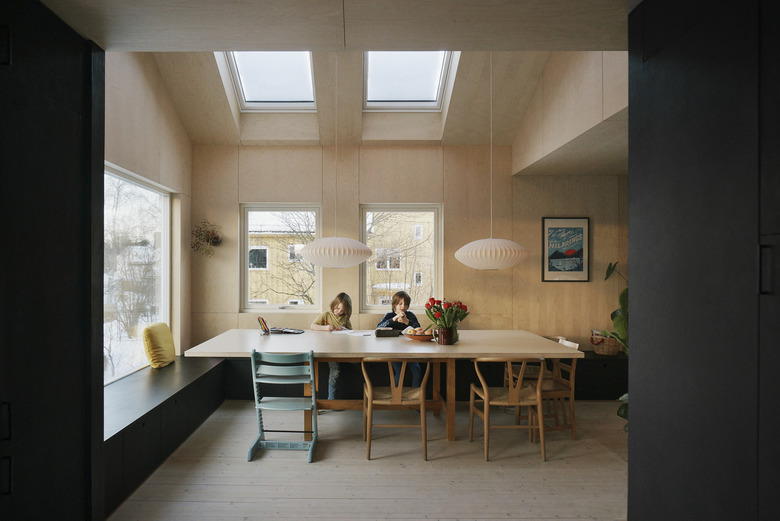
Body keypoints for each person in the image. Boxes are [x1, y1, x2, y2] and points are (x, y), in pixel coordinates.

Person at [376, 291, 423, 387]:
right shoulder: (389, 315)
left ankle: (416, 395)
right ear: (394, 304)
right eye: (400, 303)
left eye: (405, 304)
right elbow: (378, 327)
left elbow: (418, 328)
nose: (403, 306)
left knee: (416, 370)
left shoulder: (410, 315)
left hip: (409, 349)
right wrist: (394, 319)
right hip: (393, 350)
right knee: (399, 371)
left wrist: (406, 321)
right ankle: (392, 394)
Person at [311, 292, 352, 401]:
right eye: (337, 308)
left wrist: (344, 329)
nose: (338, 311)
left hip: (341, 349)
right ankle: (331, 400)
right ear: (334, 304)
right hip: (327, 348)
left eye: (342, 310)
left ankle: (335, 400)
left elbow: (351, 332)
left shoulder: (345, 318)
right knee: (335, 371)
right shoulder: (326, 315)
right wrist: (326, 328)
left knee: (354, 364)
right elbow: (313, 326)